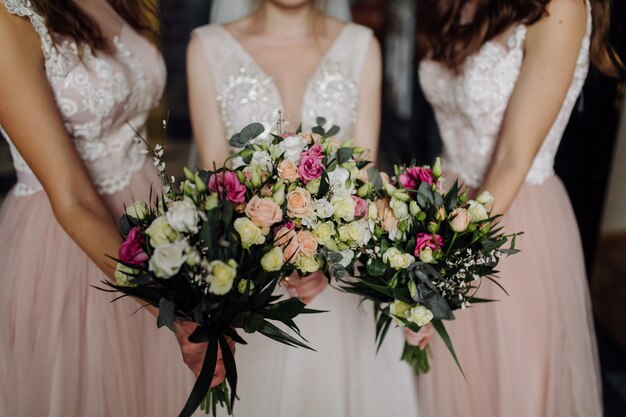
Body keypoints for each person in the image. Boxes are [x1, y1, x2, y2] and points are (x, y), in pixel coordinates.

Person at [187, 0, 423, 416]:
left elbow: (362, 183)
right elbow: (216, 191)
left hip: (342, 291)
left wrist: (327, 261)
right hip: (250, 295)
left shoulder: (361, 45)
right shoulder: (206, 47)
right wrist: (270, 257)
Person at [0, 1, 225, 415]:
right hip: (66, 239)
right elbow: (71, 197)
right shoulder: (9, 20)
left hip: (148, 214)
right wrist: (175, 311)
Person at [415, 0, 621, 415]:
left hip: (513, 221)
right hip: (446, 203)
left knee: (512, 390)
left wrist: (447, 276)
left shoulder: (560, 7)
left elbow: (512, 159)